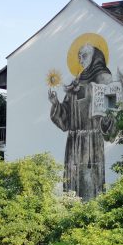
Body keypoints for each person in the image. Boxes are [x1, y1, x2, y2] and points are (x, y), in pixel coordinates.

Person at [48, 44, 117, 200]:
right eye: (79, 56)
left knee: (89, 179)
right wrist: (55, 104)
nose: (80, 59)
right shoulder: (76, 81)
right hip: (74, 140)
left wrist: (107, 120)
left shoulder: (104, 78)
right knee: (72, 180)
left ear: (95, 57)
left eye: (84, 55)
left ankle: (90, 210)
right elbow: (66, 113)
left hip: (92, 140)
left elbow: (111, 110)